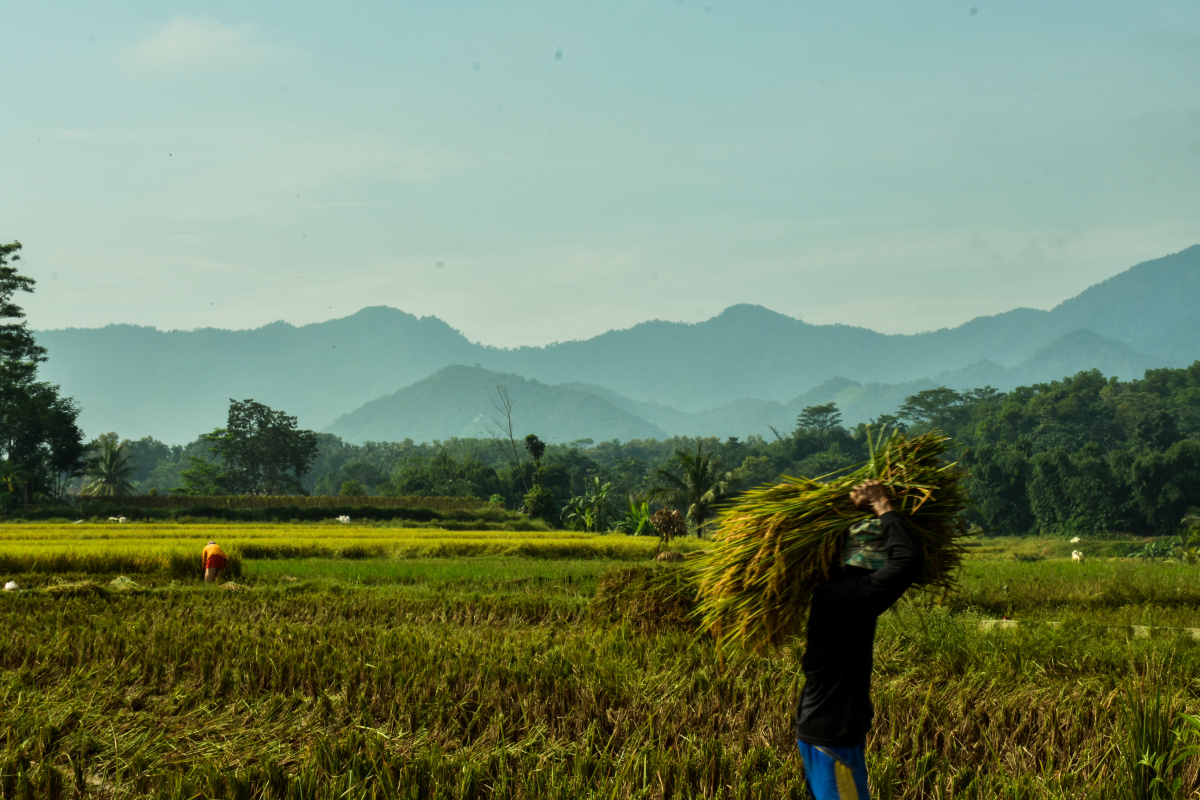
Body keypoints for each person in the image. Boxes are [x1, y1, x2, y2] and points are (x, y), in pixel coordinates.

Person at [795, 479, 924, 800]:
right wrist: (882, 504)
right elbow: (907, 561)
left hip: (821, 731)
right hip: (832, 738)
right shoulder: (849, 596)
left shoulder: (834, 593)